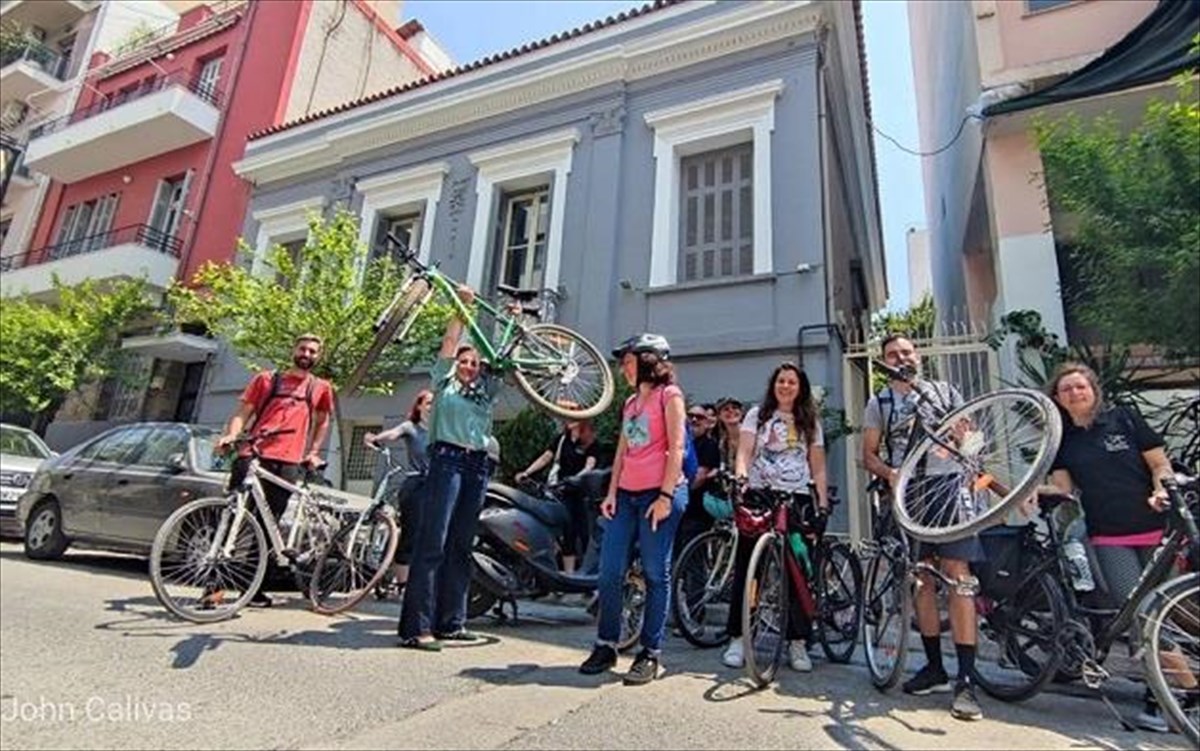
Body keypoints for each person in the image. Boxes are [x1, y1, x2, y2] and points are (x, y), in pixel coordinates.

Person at [1046, 362, 1196, 732]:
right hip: (1110, 536)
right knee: (1140, 614)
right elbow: (1064, 489)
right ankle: (1182, 693)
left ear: (1094, 389)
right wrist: (1032, 489)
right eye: (1066, 390)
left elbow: (1159, 464)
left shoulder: (1124, 419)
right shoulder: (1062, 440)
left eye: (1080, 386)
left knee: (1163, 610)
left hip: (1156, 531)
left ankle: (1164, 696)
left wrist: (1161, 490)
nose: (1074, 393)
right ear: (1057, 398)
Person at [861, 333, 983, 721]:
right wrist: (890, 473)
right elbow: (868, 455)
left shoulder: (945, 392)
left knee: (958, 576)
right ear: (884, 361)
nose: (901, 358)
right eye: (893, 354)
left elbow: (973, 440)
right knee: (921, 579)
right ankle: (934, 668)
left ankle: (967, 680)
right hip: (909, 494)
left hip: (948, 489)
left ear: (918, 356)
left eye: (906, 352)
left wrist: (964, 444)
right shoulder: (879, 402)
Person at [579, 333, 688, 685]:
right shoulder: (630, 403)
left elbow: (677, 447)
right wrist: (611, 493)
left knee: (656, 573)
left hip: (660, 494)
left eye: (628, 361)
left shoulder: (669, 396)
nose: (623, 368)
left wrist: (665, 497)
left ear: (647, 360)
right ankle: (606, 644)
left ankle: (649, 652)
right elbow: (623, 452)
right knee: (610, 571)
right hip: (626, 495)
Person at [398, 285, 500, 651]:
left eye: (475, 363)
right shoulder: (445, 384)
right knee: (434, 542)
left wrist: (513, 320)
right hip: (447, 460)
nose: (470, 366)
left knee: (461, 544)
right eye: (464, 361)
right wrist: (462, 308)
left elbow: (505, 359)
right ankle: (417, 628)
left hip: (477, 465)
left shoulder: (485, 392)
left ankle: (452, 622)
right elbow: (450, 341)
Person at [721, 363, 828, 673]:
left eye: (792, 382)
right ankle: (739, 637)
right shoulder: (758, 415)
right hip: (760, 495)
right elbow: (744, 452)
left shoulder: (810, 421)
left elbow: (818, 465)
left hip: (797, 497)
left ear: (800, 387)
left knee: (796, 570)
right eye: (781, 380)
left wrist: (822, 504)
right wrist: (741, 480)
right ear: (773, 384)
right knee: (748, 568)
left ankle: (798, 641)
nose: (785, 386)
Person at [214, 333, 335, 607]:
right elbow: (242, 413)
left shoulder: (321, 388)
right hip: (254, 453)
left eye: (313, 351)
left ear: (319, 357)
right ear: (293, 350)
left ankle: (252, 588)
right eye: (303, 349)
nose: (307, 354)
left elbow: (322, 421)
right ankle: (214, 585)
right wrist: (231, 435)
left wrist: (313, 451)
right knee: (234, 516)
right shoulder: (266, 379)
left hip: (288, 462)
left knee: (269, 524)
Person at [365, 389, 433, 597]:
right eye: (428, 403)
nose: (432, 407)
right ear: (419, 406)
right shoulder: (411, 427)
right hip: (417, 484)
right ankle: (403, 584)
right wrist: (375, 438)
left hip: (438, 486)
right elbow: (392, 434)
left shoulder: (442, 431)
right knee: (412, 533)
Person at [515, 417, 602, 573]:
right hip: (561, 491)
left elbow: (590, 465)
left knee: (584, 532)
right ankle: (569, 574)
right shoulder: (562, 439)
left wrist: (577, 478)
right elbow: (546, 457)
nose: (568, 420)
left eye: (573, 417)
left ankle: (588, 572)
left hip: (581, 493)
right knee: (567, 532)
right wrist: (527, 472)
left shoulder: (590, 442)